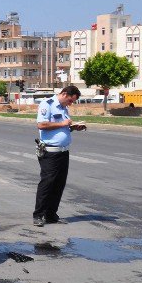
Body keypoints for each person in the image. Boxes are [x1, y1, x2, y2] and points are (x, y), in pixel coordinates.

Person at [33, 85, 86, 227]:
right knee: (47, 183)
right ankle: (38, 215)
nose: (71, 103)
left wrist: (73, 127)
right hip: (50, 152)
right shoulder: (47, 104)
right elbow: (41, 125)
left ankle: (51, 214)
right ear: (64, 94)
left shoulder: (64, 108)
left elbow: (63, 127)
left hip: (63, 151)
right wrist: (63, 123)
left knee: (59, 184)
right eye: (70, 100)